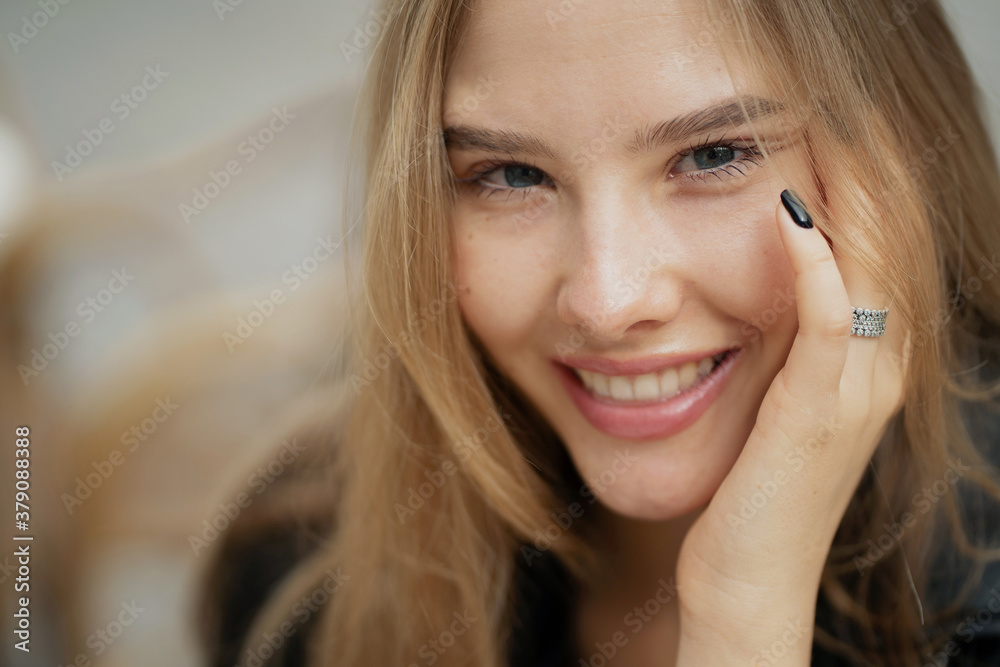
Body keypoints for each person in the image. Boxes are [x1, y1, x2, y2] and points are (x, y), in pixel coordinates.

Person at [200, 0, 1000, 665]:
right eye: (512, 175)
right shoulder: (309, 574)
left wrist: (742, 607)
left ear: (901, 173)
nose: (606, 300)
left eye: (714, 154)